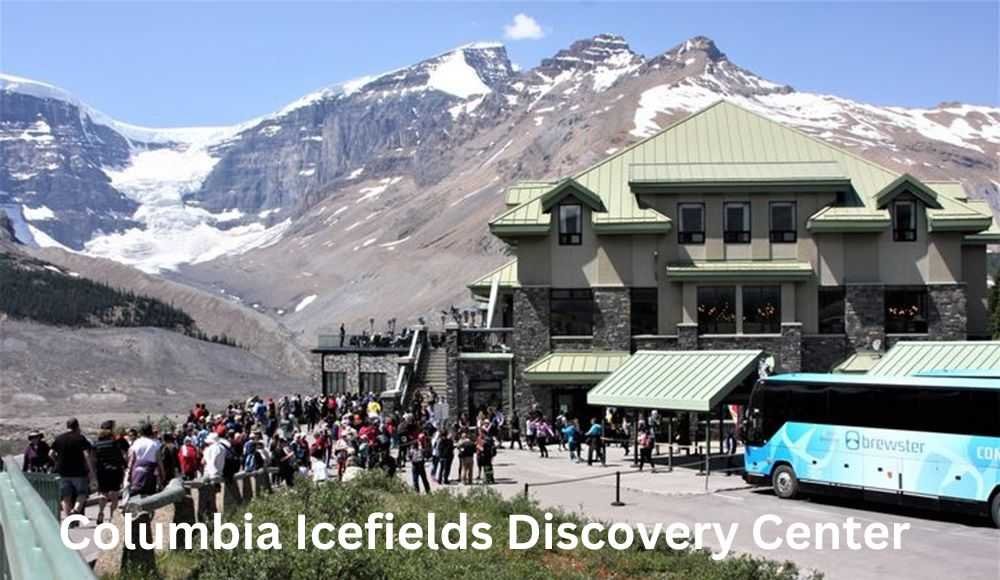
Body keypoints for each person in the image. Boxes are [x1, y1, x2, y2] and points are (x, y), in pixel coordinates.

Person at [50, 418, 95, 522]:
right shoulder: (80, 438)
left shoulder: (59, 438)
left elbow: (50, 453)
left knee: (66, 496)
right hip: (78, 472)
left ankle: (68, 519)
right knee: (82, 493)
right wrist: (91, 471)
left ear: (67, 426)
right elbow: (87, 455)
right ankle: (75, 510)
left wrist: (58, 461)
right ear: (77, 426)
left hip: (62, 472)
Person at [93, 422, 126, 525]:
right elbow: (120, 457)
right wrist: (124, 466)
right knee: (114, 495)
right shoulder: (114, 443)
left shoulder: (96, 444)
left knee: (103, 493)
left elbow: (94, 458)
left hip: (102, 471)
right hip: (115, 471)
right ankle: (112, 516)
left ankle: (101, 512)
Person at [126, 422, 162, 496]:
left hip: (137, 474)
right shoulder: (155, 444)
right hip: (150, 474)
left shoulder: (136, 443)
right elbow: (159, 462)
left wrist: (129, 475)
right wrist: (162, 476)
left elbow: (132, 460)